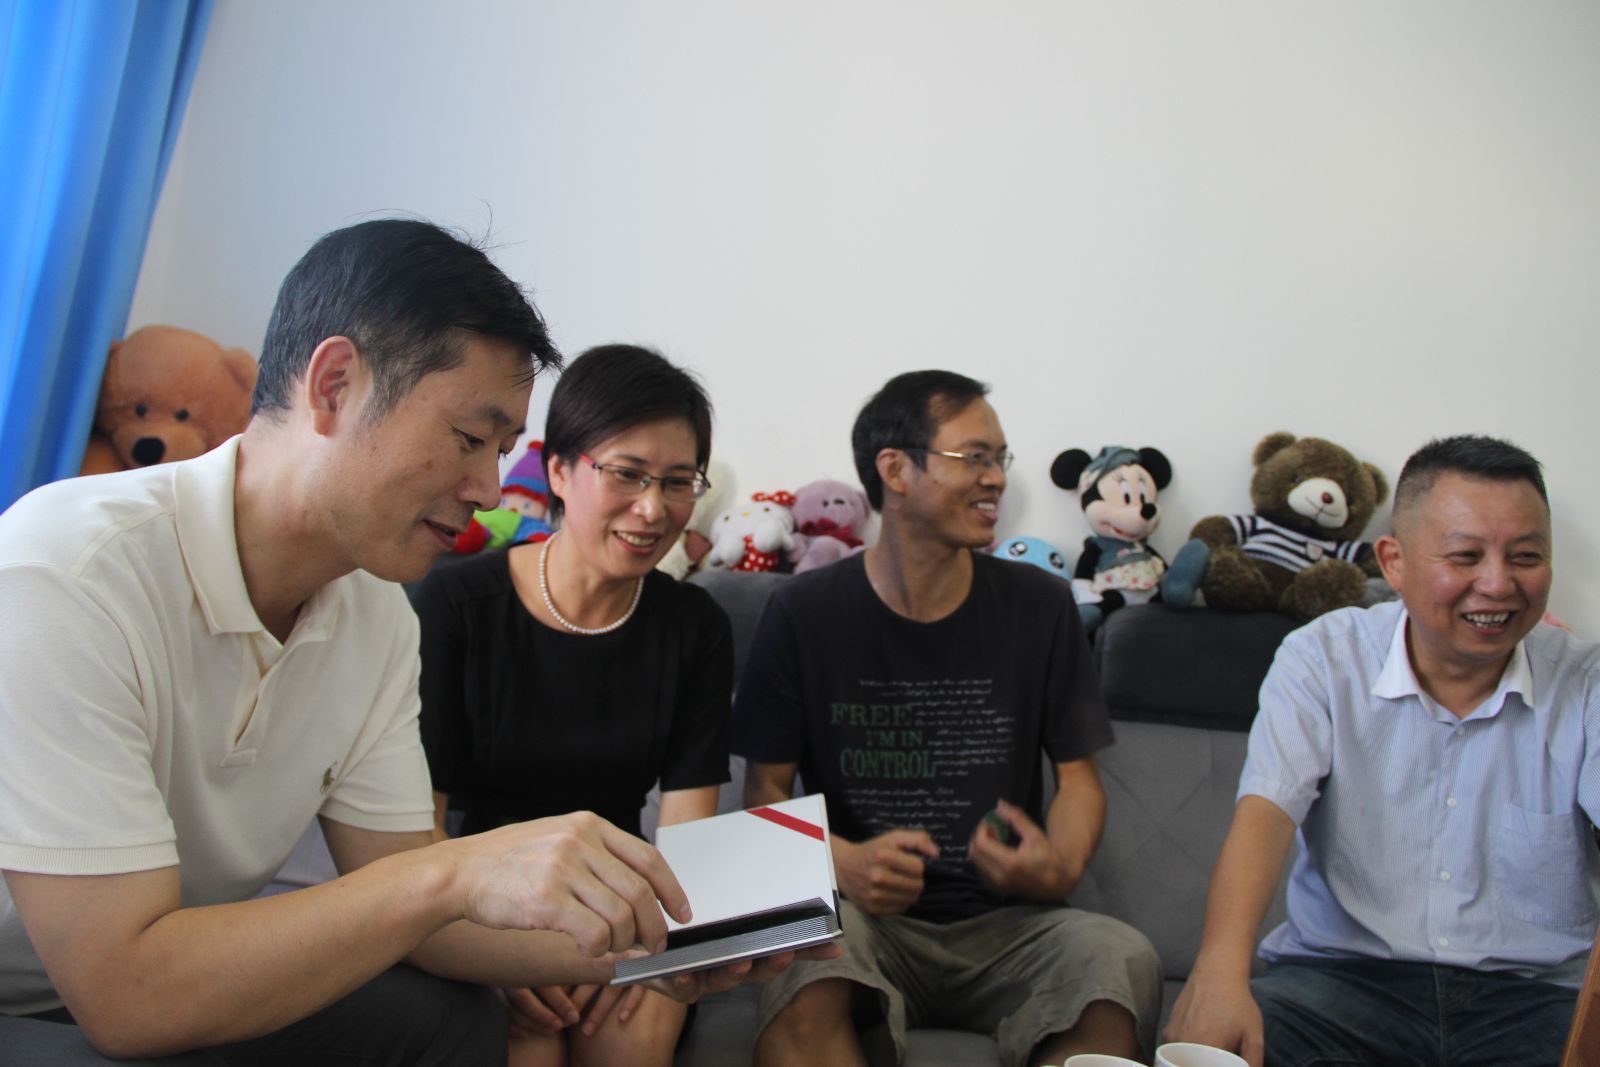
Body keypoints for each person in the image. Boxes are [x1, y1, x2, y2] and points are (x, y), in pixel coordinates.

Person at [0, 219, 817, 1065]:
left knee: (453, 1020)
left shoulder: (377, 615)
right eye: (469, 438)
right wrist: (452, 873)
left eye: (502, 451)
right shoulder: (69, 571)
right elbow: (128, 997)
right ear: (335, 385)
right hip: (50, 1000)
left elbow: (424, 914)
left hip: (194, 977)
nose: (489, 488)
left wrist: (664, 946)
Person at [731, 370, 1162, 1067]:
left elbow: (1080, 780)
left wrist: (1056, 868)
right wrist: (842, 863)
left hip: (1010, 927)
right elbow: (764, 793)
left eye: (1000, 458)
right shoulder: (802, 612)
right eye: (974, 457)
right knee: (804, 960)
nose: (997, 478)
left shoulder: (1040, 606)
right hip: (866, 922)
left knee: (1119, 958)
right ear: (895, 469)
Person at [1165, 434, 1598, 1067]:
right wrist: (1219, 973)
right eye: (1466, 556)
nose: (1498, 583)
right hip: (1342, 988)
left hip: (1535, 1001)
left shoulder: (1586, 683)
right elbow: (1266, 816)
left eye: (1526, 556)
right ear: (1393, 562)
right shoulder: (1323, 657)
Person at [412, 343, 732, 1066]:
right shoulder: (458, 605)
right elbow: (419, 829)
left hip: (625, 906)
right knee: (531, 1047)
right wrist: (488, 952)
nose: (652, 508)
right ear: (558, 469)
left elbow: (689, 836)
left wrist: (641, 944)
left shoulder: (695, 627)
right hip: (483, 899)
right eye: (627, 473)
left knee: (629, 1039)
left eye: (677, 482)